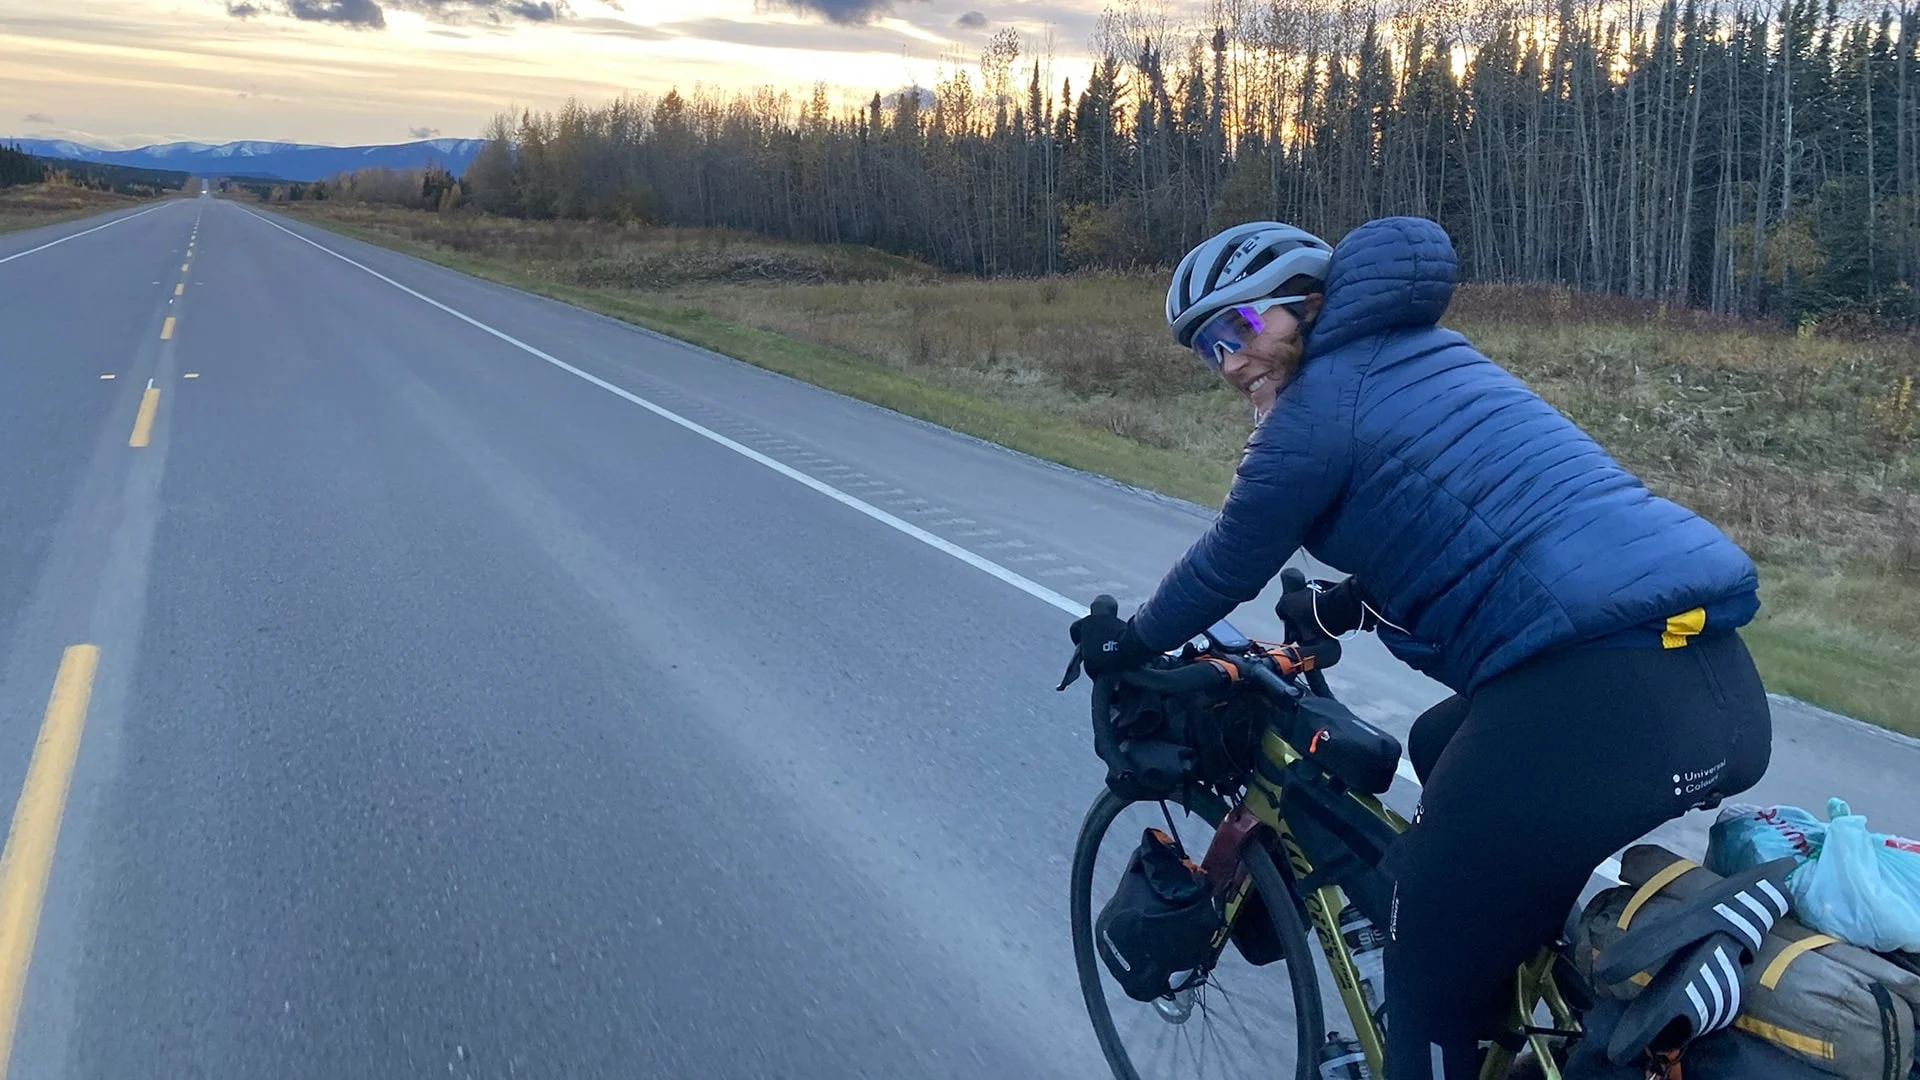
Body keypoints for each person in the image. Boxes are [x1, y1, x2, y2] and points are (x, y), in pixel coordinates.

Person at [1068, 217, 1774, 1078]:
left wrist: (1127, 641)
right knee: (1442, 747)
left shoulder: (1313, 412)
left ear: (1308, 302)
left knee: (1424, 953)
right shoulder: (1428, 357)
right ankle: (1523, 994)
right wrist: (1340, 608)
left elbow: (1228, 561)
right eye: (1207, 347)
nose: (1229, 361)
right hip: (1710, 687)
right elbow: (1472, 526)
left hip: (1602, 705)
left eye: (1241, 325)